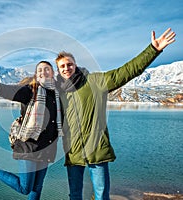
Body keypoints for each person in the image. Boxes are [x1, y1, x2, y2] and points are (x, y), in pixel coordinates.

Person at [54, 28, 176, 200]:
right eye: (62, 66)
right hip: (73, 151)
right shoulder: (59, 91)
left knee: (102, 194)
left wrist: (153, 50)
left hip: (96, 148)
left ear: (75, 65)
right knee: (74, 194)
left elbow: (126, 72)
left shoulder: (94, 81)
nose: (66, 68)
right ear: (58, 70)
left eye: (69, 64)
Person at [0, 60, 63, 200]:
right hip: (28, 147)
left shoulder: (57, 95)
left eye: (47, 69)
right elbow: (5, 90)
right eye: (40, 70)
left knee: (37, 187)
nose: (43, 72)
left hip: (46, 148)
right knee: (25, 188)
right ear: (36, 75)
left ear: (53, 73)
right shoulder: (31, 91)